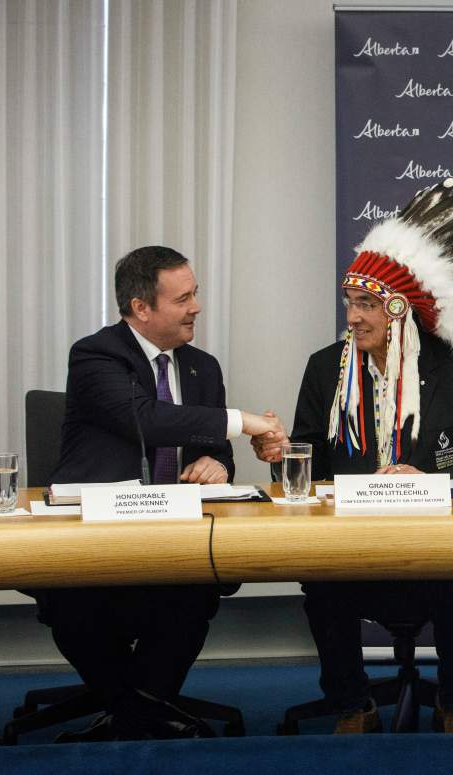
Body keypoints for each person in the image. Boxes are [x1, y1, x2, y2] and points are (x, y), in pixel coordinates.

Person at [254, 177, 453, 734]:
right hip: (348, 545)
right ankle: (352, 704)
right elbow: (306, 463)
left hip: (439, 544)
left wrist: (428, 479)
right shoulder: (325, 368)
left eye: (367, 304)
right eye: (350, 302)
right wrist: (279, 455)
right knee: (321, 585)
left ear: (399, 308)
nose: (353, 317)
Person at [42, 245, 283, 741]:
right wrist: (245, 421)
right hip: (95, 540)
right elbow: (147, 420)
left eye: (195, 294)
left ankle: (129, 713)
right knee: (74, 605)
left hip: (179, 538)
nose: (196, 306)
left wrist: (217, 460)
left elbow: (217, 448)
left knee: (195, 588)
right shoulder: (96, 355)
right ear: (141, 308)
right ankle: (145, 713)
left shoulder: (202, 367)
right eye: (183, 298)